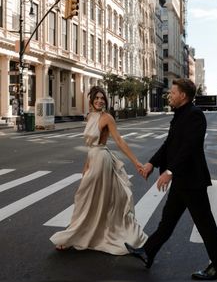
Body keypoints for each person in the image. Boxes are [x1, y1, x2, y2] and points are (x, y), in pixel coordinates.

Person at [125, 78, 217, 280]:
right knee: (167, 221)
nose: (169, 95)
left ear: (183, 95)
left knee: (205, 226)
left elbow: (188, 148)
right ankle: (148, 252)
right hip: (182, 182)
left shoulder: (195, 115)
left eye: (172, 92)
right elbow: (169, 145)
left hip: (192, 182)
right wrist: (151, 164)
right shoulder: (181, 115)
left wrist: (169, 171)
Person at [50, 85, 147, 255]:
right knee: (85, 198)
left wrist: (136, 161)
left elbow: (119, 141)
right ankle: (77, 235)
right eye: (97, 98)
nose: (100, 101)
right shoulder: (89, 117)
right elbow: (90, 146)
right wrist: (85, 165)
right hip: (93, 159)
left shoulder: (107, 118)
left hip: (102, 160)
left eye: (102, 98)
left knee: (89, 198)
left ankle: (73, 237)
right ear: (91, 101)